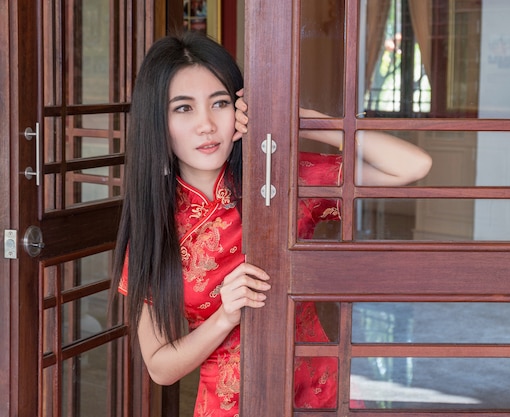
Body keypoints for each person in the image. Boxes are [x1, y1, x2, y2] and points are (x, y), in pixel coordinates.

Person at [112, 30, 432, 417]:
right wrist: (223, 317)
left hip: (321, 395)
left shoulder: (277, 182)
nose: (207, 125)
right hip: (230, 407)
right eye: (183, 108)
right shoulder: (155, 227)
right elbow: (161, 367)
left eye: (219, 103)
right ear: (156, 122)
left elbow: (412, 167)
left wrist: (302, 122)